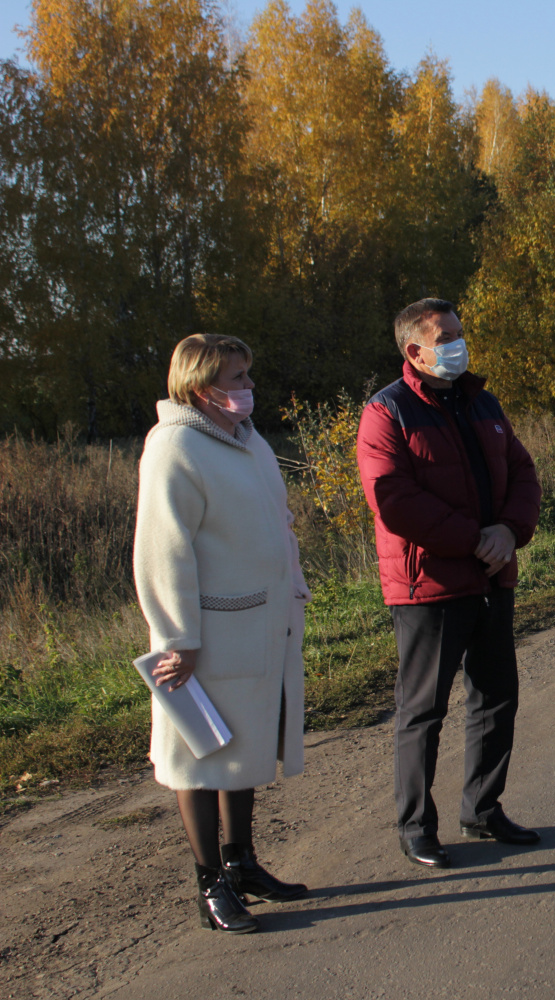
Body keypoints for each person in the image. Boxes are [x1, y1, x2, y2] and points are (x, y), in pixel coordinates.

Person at [356, 297, 542, 869]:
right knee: (423, 709)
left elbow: (521, 471)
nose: (460, 344)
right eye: (447, 337)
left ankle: (483, 810)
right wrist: (474, 539)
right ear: (415, 349)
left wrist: (509, 530)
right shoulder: (386, 413)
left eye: (460, 333)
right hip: (429, 584)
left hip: (491, 573)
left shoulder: (481, 401)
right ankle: (416, 826)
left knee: (496, 695)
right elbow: (396, 502)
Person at [134, 333, 310, 934]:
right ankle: (210, 884)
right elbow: (162, 549)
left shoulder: (247, 440)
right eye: (238, 380)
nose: (249, 389)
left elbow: (274, 522)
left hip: (261, 622)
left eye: (248, 377)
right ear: (203, 388)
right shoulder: (174, 447)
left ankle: (243, 864)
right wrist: (176, 635)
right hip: (205, 636)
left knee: (245, 745)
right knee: (199, 756)